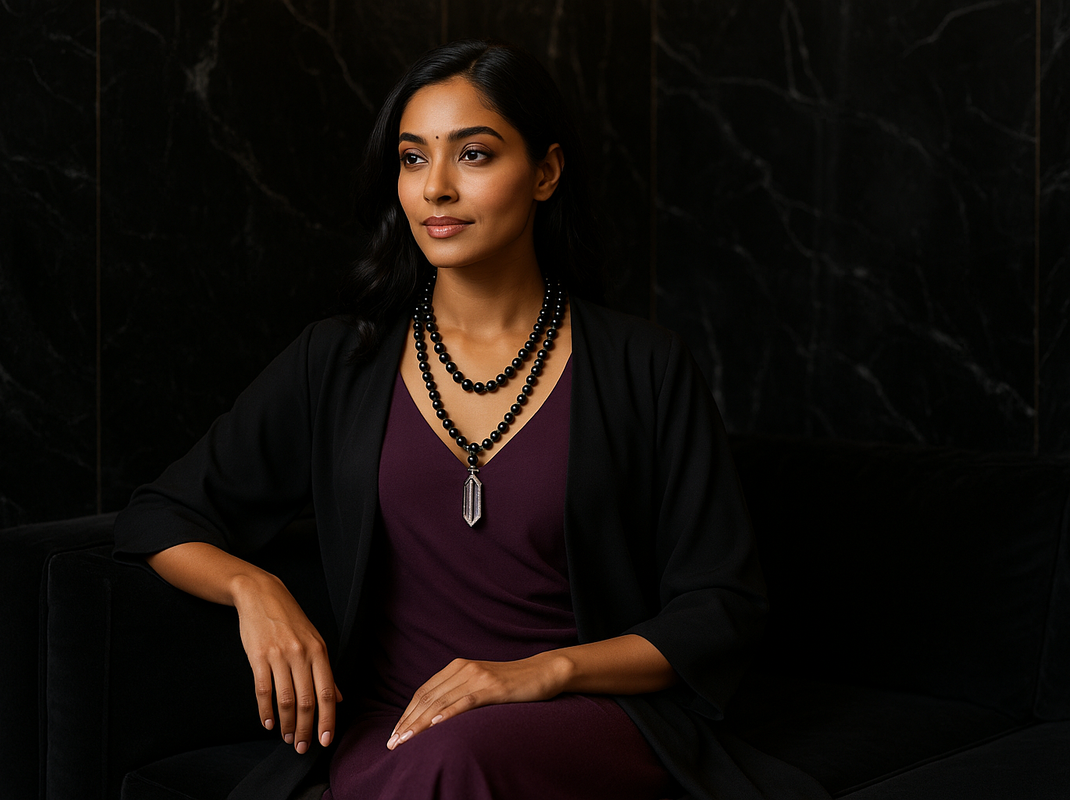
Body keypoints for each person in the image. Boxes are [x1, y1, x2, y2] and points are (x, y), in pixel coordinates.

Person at [114, 39, 828, 800]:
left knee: (460, 761)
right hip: (399, 721)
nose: (436, 189)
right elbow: (162, 515)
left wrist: (543, 671)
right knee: (436, 760)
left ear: (546, 172)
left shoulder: (643, 365)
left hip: (583, 714)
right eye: (414, 159)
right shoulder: (339, 360)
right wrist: (257, 591)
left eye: (475, 155)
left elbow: (721, 604)